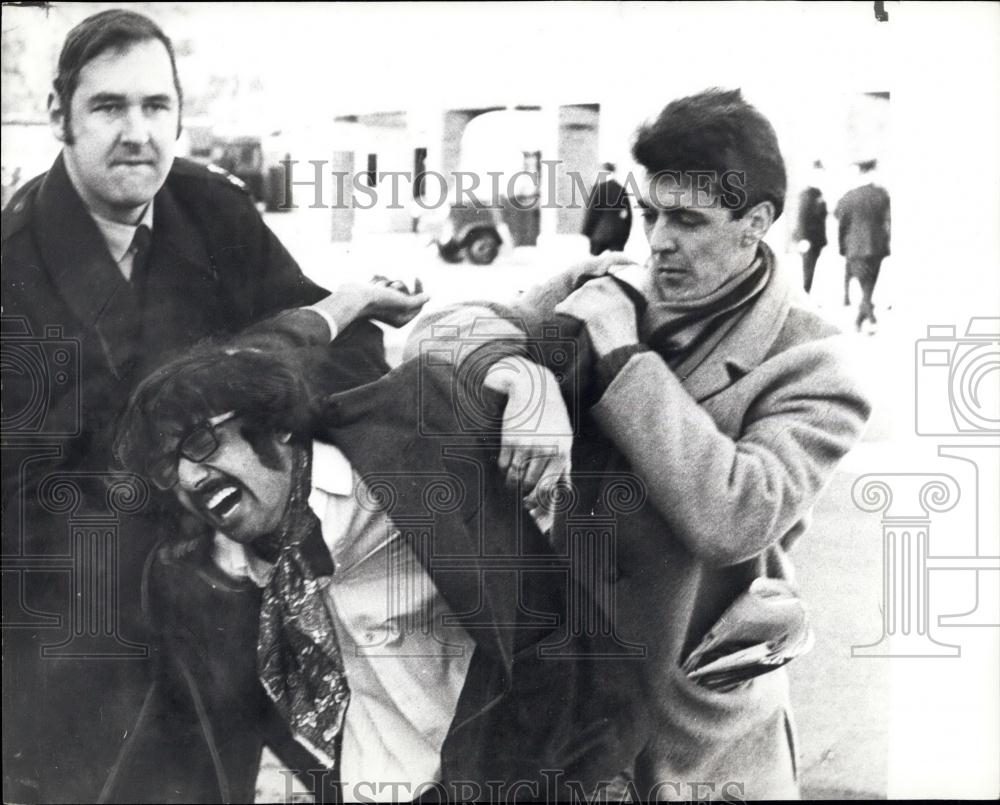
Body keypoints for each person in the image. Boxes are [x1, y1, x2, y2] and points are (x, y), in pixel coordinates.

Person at [0, 9, 426, 801]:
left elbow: (334, 351)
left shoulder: (209, 209)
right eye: (109, 106)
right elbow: (25, 504)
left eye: (156, 107)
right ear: (60, 114)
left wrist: (300, 477)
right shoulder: (13, 263)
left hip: (234, 606)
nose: (137, 132)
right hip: (81, 636)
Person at [415, 88, 873, 798]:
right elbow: (436, 334)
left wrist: (626, 360)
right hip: (551, 701)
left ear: (756, 223)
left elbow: (735, 515)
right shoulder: (597, 285)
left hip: (689, 735)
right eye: (651, 213)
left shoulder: (812, 362)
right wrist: (523, 380)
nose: (658, 240)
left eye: (689, 219)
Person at [101, 317, 642, 803]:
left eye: (200, 444)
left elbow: (544, 333)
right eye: (168, 469)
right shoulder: (211, 571)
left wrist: (531, 383)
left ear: (274, 424)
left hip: (548, 762)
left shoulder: (413, 432)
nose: (190, 478)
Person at [834, 159, 891, 331]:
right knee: (870, 284)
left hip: (855, 247)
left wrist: (842, 247)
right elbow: (888, 221)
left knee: (864, 283)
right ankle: (867, 318)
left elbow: (841, 223)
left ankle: (864, 318)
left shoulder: (848, 197)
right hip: (877, 246)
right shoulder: (882, 194)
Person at [581, 161, 633, 255]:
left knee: (597, 265)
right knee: (613, 265)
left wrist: (586, 231)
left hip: (600, 234)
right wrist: (624, 235)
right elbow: (628, 216)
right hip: (618, 235)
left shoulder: (598, 188)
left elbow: (591, 212)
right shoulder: (621, 189)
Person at [793, 160, 828, 293]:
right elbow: (801, 217)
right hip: (808, 239)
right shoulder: (806, 194)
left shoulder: (817, 193)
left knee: (810, 271)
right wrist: (803, 238)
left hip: (816, 239)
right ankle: (804, 296)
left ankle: (807, 295)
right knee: (806, 271)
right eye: (818, 174)